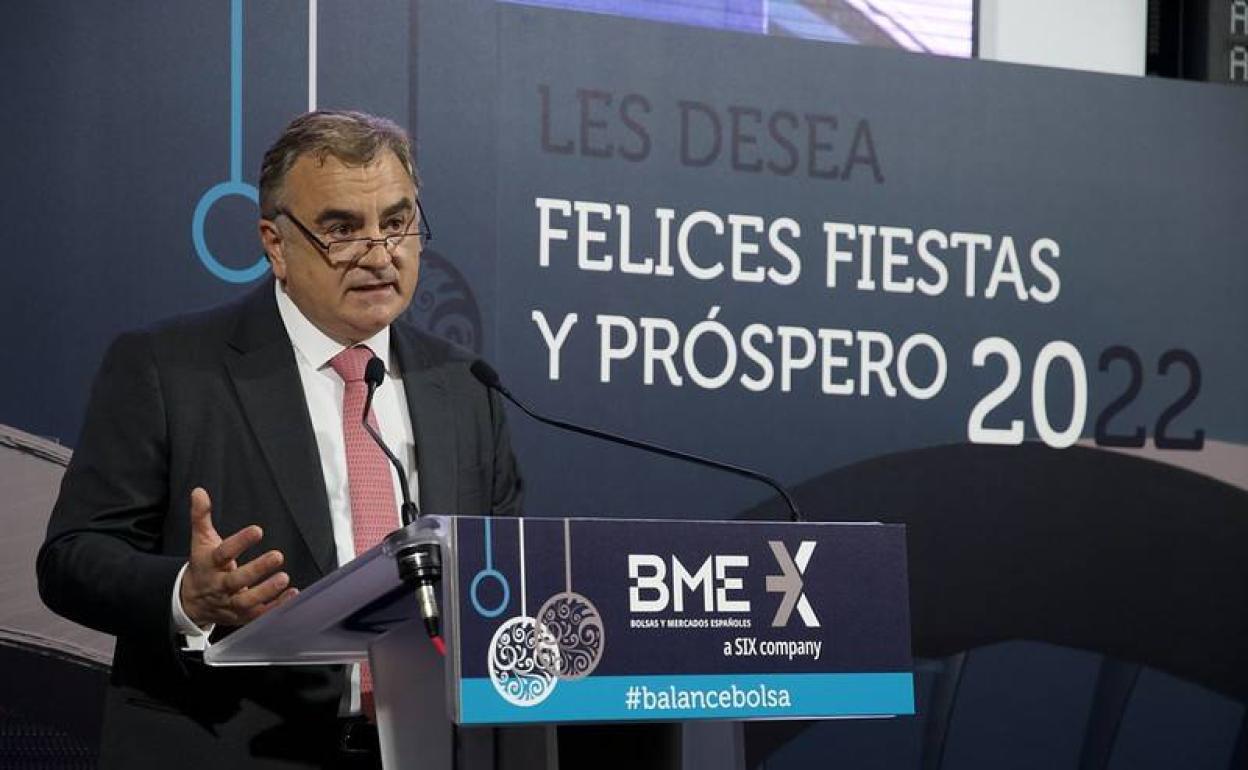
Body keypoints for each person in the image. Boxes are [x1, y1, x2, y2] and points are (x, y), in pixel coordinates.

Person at [37, 110, 522, 769]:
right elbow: (71, 559)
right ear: (275, 244)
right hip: (230, 748)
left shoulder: (464, 385)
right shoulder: (168, 368)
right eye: (342, 229)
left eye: (397, 222)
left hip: (427, 751)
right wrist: (186, 592)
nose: (380, 253)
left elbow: (503, 577)